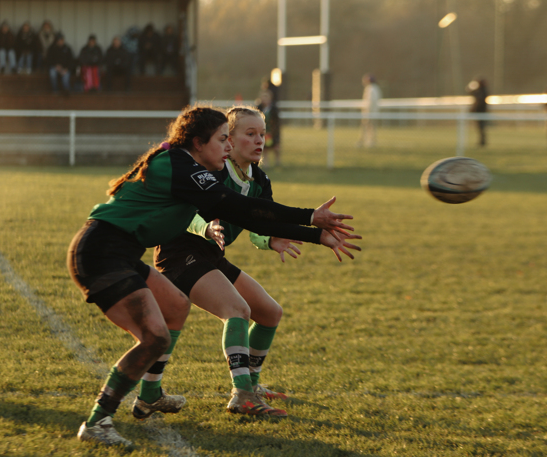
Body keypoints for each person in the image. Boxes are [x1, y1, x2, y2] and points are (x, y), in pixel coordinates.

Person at [67, 105, 358, 446]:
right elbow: (234, 207)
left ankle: (150, 396)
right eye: (223, 139)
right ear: (198, 142)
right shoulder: (177, 164)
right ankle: (98, 422)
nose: (227, 147)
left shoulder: (195, 168)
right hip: (102, 252)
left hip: (124, 253)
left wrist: (315, 232)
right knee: (155, 336)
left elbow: (252, 217)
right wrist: (309, 217)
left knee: (176, 306)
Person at [150, 106, 361, 418]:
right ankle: (242, 395)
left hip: (209, 257)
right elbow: (186, 213)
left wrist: (317, 236)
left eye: (262, 133)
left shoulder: (259, 179)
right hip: (179, 252)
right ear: (229, 141)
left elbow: (265, 219)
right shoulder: (212, 172)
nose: (260, 140)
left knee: (269, 312)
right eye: (250, 134)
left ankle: (252, 385)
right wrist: (205, 227)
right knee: (236, 311)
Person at [256, 87, 281, 168]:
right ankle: (266, 163)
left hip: (272, 131)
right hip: (263, 131)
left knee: (276, 147)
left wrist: (275, 132)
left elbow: (277, 122)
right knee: (265, 148)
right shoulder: (259, 108)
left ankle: (278, 162)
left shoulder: (273, 109)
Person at [357, 74, 382, 148]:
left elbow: (370, 102)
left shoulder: (371, 89)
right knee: (370, 127)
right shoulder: (375, 88)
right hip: (372, 111)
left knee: (368, 127)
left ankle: (367, 141)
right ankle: (367, 141)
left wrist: (367, 111)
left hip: (369, 112)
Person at [467, 78, 489, 147]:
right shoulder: (481, 91)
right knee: (480, 128)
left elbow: (479, 101)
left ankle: (482, 142)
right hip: (480, 111)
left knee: (481, 128)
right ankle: (482, 142)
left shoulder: (482, 91)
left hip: (481, 111)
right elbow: (472, 93)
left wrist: (473, 110)